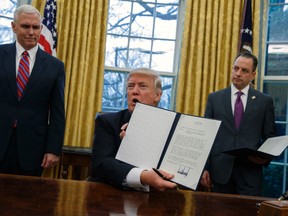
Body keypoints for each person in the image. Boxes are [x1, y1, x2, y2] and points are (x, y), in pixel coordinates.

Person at [0, 5, 65, 176]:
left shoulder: (55, 66)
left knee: (27, 201)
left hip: (32, 148)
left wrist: (53, 149)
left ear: (41, 28)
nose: (31, 32)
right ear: (14, 27)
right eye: (25, 26)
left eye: (35, 27)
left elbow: (58, 112)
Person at [200, 52, 277, 196]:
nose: (238, 73)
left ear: (253, 75)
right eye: (236, 68)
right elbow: (206, 135)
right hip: (220, 173)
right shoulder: (214, 98)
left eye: (244, 70)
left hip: (250, 174)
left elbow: (270, 137)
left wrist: (264, 158)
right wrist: (205, 167)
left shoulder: (264, 102)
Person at [90, 68, 177, 191]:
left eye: (143, 86)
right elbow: (101, 165)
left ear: (157, 95)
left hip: (159, 196)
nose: (134, 91)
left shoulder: (173, 126)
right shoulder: (107, 122)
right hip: (113, 193)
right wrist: (142, 177)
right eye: (130, 86)